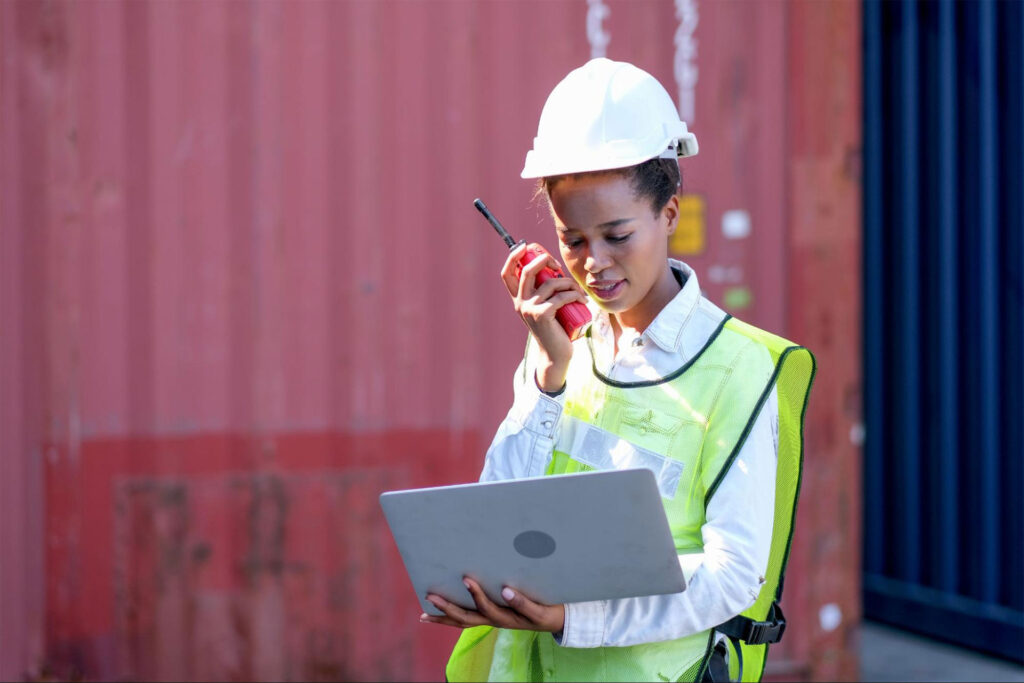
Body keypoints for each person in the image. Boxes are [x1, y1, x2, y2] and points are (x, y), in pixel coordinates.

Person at [421, 58, 815, 683]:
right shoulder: (560, 344)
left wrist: (573, 617)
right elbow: (501, 512)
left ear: (669, 214)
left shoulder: (738, 369)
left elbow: (736, 575)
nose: (592, 264)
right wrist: (551, 370)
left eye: (617, 235)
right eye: (572, 239)